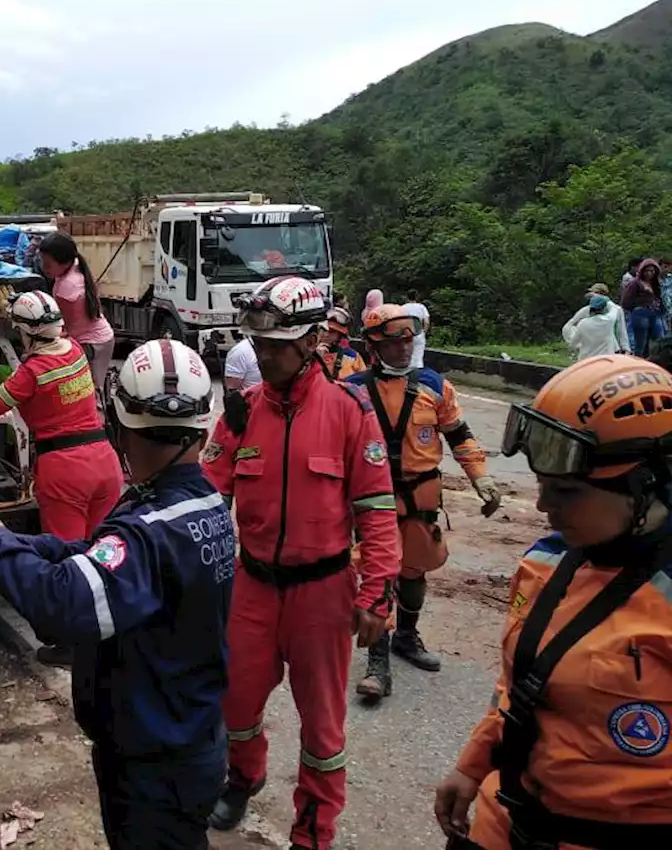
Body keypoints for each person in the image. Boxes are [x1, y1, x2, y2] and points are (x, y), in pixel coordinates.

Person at [0, 339, 233, 849]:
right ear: (203, 427)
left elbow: (64, 607)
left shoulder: (149, 530)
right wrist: (16, 540)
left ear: (120, 428)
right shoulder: (200, 504)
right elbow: (96, 554)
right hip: (189, 736)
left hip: (152, 759)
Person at [435, 354, 672, 850]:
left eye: (565, 490)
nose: (543, 506)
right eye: (541, 485)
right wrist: (473, 764)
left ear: (646, 485)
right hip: (506, 822)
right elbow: (518, 685)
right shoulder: (546, 561)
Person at [201, 276, 400, 849]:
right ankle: (245, 775)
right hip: (253, 586)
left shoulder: (349, 412)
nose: (263, 357)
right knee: (235, 701)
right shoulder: (241, 413)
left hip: (324, 593)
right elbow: (207, 496)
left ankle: (313, 830)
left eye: (276, 346)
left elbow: (378, 511)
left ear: (312, 341)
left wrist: (377, 591)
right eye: (257, 346)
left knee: (322, 726)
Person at [349, 305, 500, 702]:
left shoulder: (435, 386)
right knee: (377, 575)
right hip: (372, 497)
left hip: (421, 496)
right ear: (372, 345)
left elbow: (459, 434)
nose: (403, 348)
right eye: (393, 342)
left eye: (407, 340)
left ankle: (406, 636)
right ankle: (377, 663)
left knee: (414, 576)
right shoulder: (354, 389)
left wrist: (480, 477)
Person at [0, 290, 124, 667]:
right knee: (104, 551)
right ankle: (113, 630)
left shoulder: (32, 371)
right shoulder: (72, 351)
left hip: (65, 469)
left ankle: (72, 645)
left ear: (25, 332)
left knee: (68, 562)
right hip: (104, 460)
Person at [39, 231, 115, 392]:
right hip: (101, 339)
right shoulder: (75, 268)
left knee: (87, 391)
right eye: (42, 261)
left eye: (48, 264)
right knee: (93, 387)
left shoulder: (67, 289)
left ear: (64, 262)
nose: (43, 268)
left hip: (91, 343)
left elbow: (60, 328)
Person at [563, 288, 628, 361]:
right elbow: (615, 309)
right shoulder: (608, 321)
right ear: (604, 308)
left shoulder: (582, 323)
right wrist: (605, 299)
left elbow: (573, 343)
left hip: (585, 360)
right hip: (605, 359)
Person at [621, 258, 664, 357]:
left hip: (655, 313)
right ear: (642, 271)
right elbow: (625, 301)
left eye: (652, 271)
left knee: (659, 339)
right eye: (647, 271)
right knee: (640, 343)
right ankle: (638, 364)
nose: (649, 273)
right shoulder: (635, 283)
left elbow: (660, 298)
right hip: (640, 314)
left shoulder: (656, 284)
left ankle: (657, 363)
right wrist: (636, 308)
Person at [318, 307, 367, 381]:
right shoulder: (308, 355)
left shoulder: (353, 357)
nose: (326, 334)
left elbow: (364, 384)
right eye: (324, 329)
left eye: (332, 332)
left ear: (340, 335)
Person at [402, 289, 430, 369]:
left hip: (406, 334)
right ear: (417, 297)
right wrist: (423, 332)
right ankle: (417, 375)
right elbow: (427, 322)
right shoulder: (422, 307)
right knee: (418, 357)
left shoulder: (403, 308)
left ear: (407, 297)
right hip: (418, 333)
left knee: (406, 355)